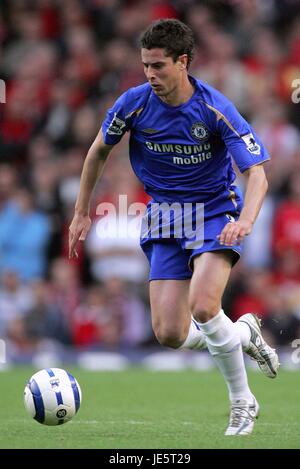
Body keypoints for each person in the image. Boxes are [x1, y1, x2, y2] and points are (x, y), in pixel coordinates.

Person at [69, 19, 279, 436]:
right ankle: (241, 333)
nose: (150, 74)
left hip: (214, 214)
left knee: (204, 305)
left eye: (159, 66)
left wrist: (246, 222)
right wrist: (81, 211)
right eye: (146, 65)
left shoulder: (214, 107)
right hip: (164, 217)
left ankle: (242, 402)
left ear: (183, 62)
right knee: (168, 333)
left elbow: (258, 175)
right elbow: (97, 152)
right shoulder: (133, 103)